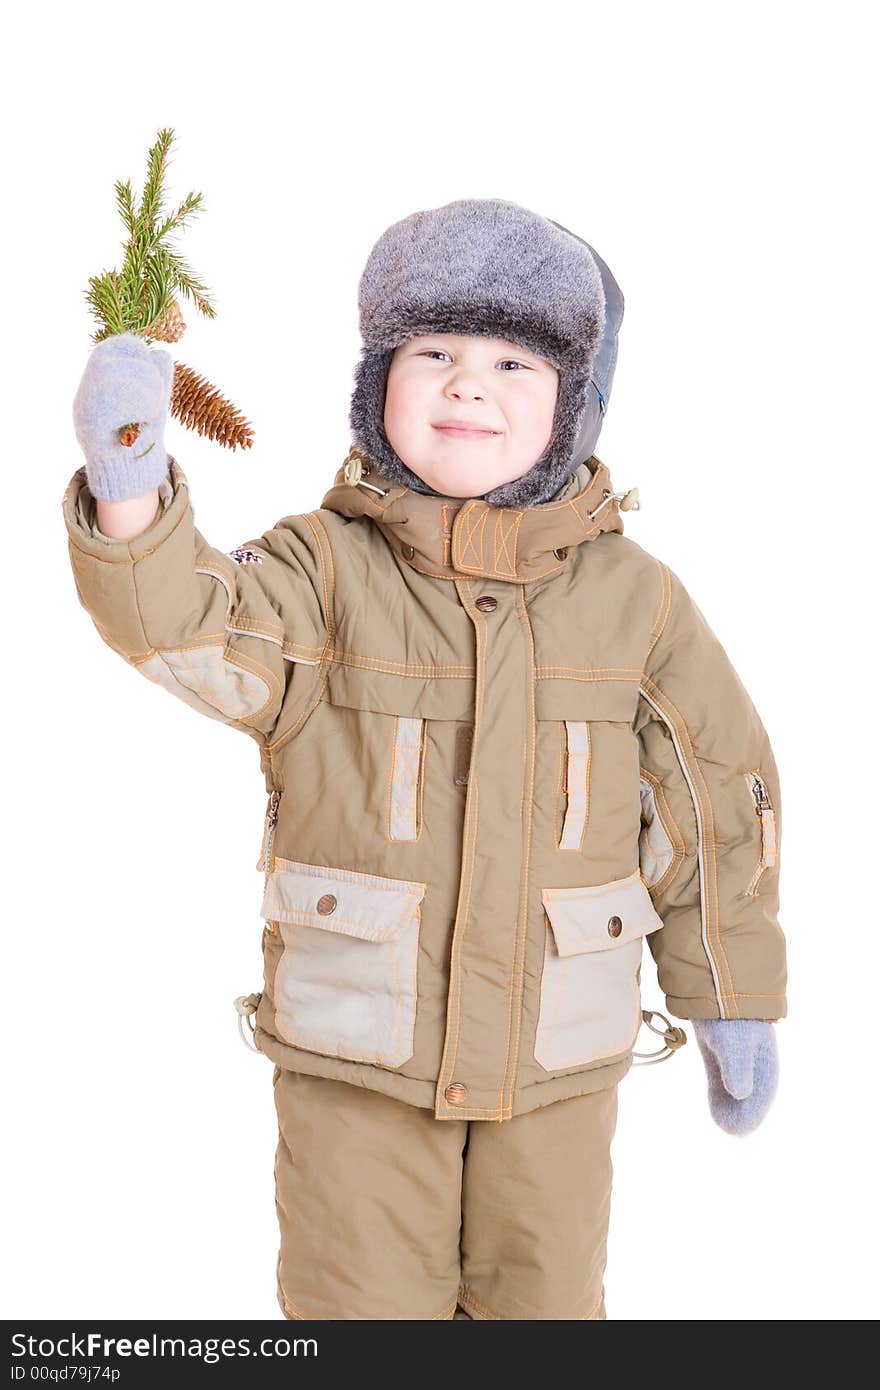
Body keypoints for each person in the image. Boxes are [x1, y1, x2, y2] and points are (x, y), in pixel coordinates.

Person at [64, 198, 787, 1320]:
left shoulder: (634, 601)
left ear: (574, 403)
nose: (467, 385)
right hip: (358, 1067)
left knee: (546, 1306)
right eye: (432, 352)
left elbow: (713, 797)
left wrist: (730, 993)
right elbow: (187, 626)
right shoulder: (321, 571)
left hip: (554, 1071)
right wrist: (129, 485)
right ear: (376, 386)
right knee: (354, 1310)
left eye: (512, 360)